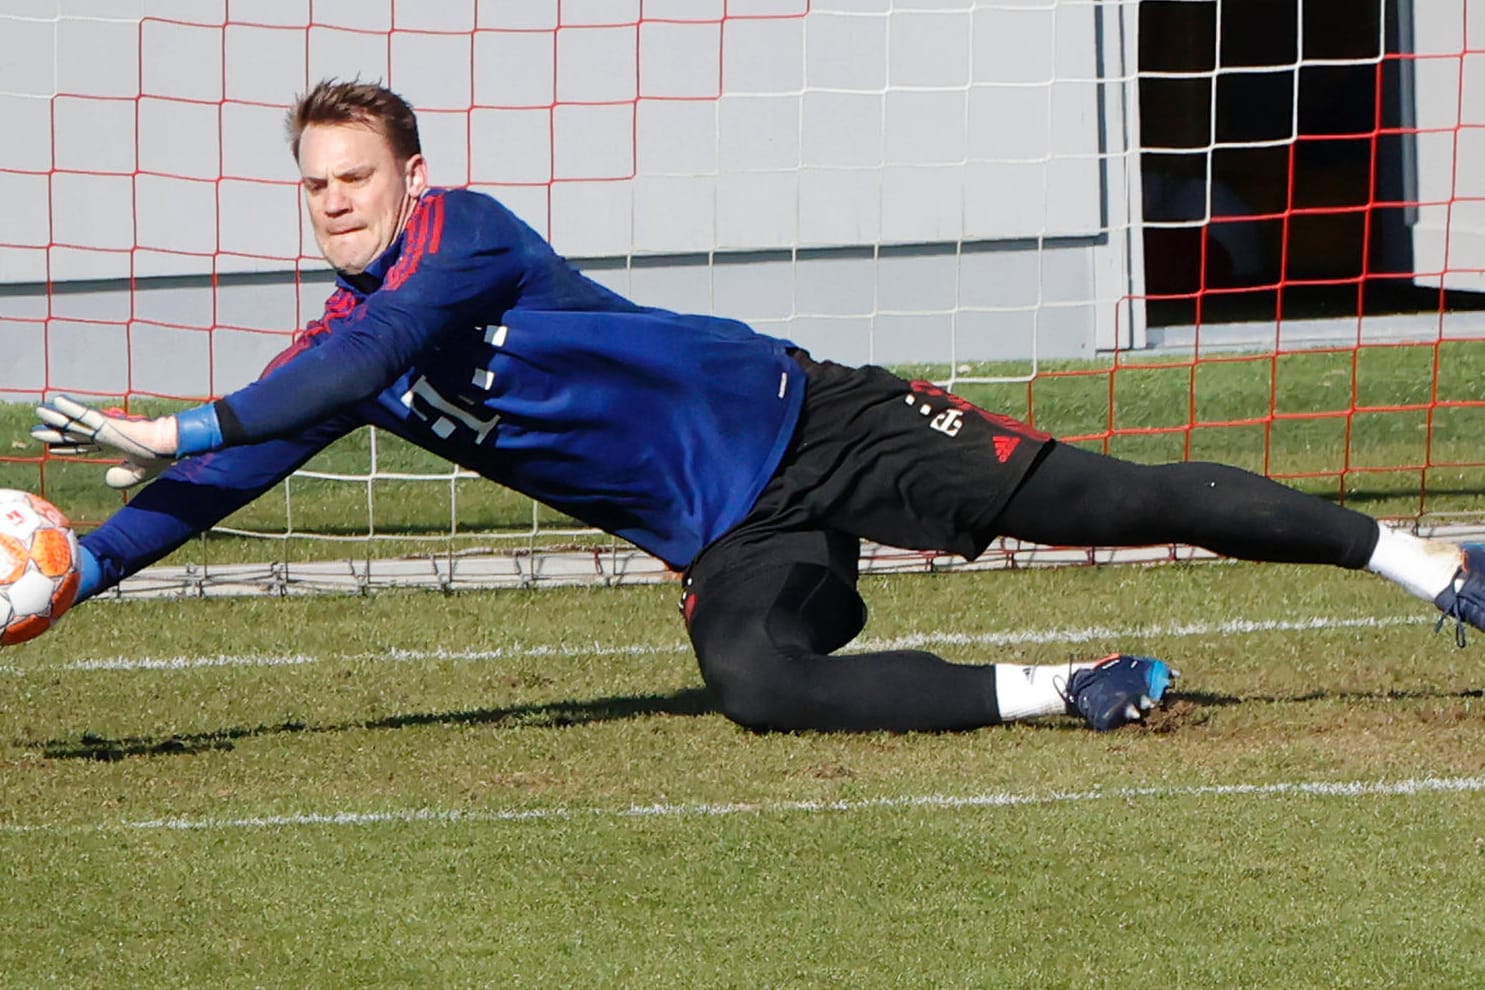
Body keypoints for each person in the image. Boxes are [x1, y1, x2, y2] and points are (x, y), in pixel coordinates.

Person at [29, 79, 1485, 734]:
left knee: (1113, 498)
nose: (334, 199)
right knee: (756, 683)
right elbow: (259, 452)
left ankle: (1432, 564)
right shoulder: (337, 342)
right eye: (316, 182)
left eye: (355, 174)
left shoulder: (459, 239)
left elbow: (347, 370)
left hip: (818, 421)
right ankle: (1071, 689)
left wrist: (183, 422)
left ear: (409, 174)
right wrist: (79, 568)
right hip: (730, 533)